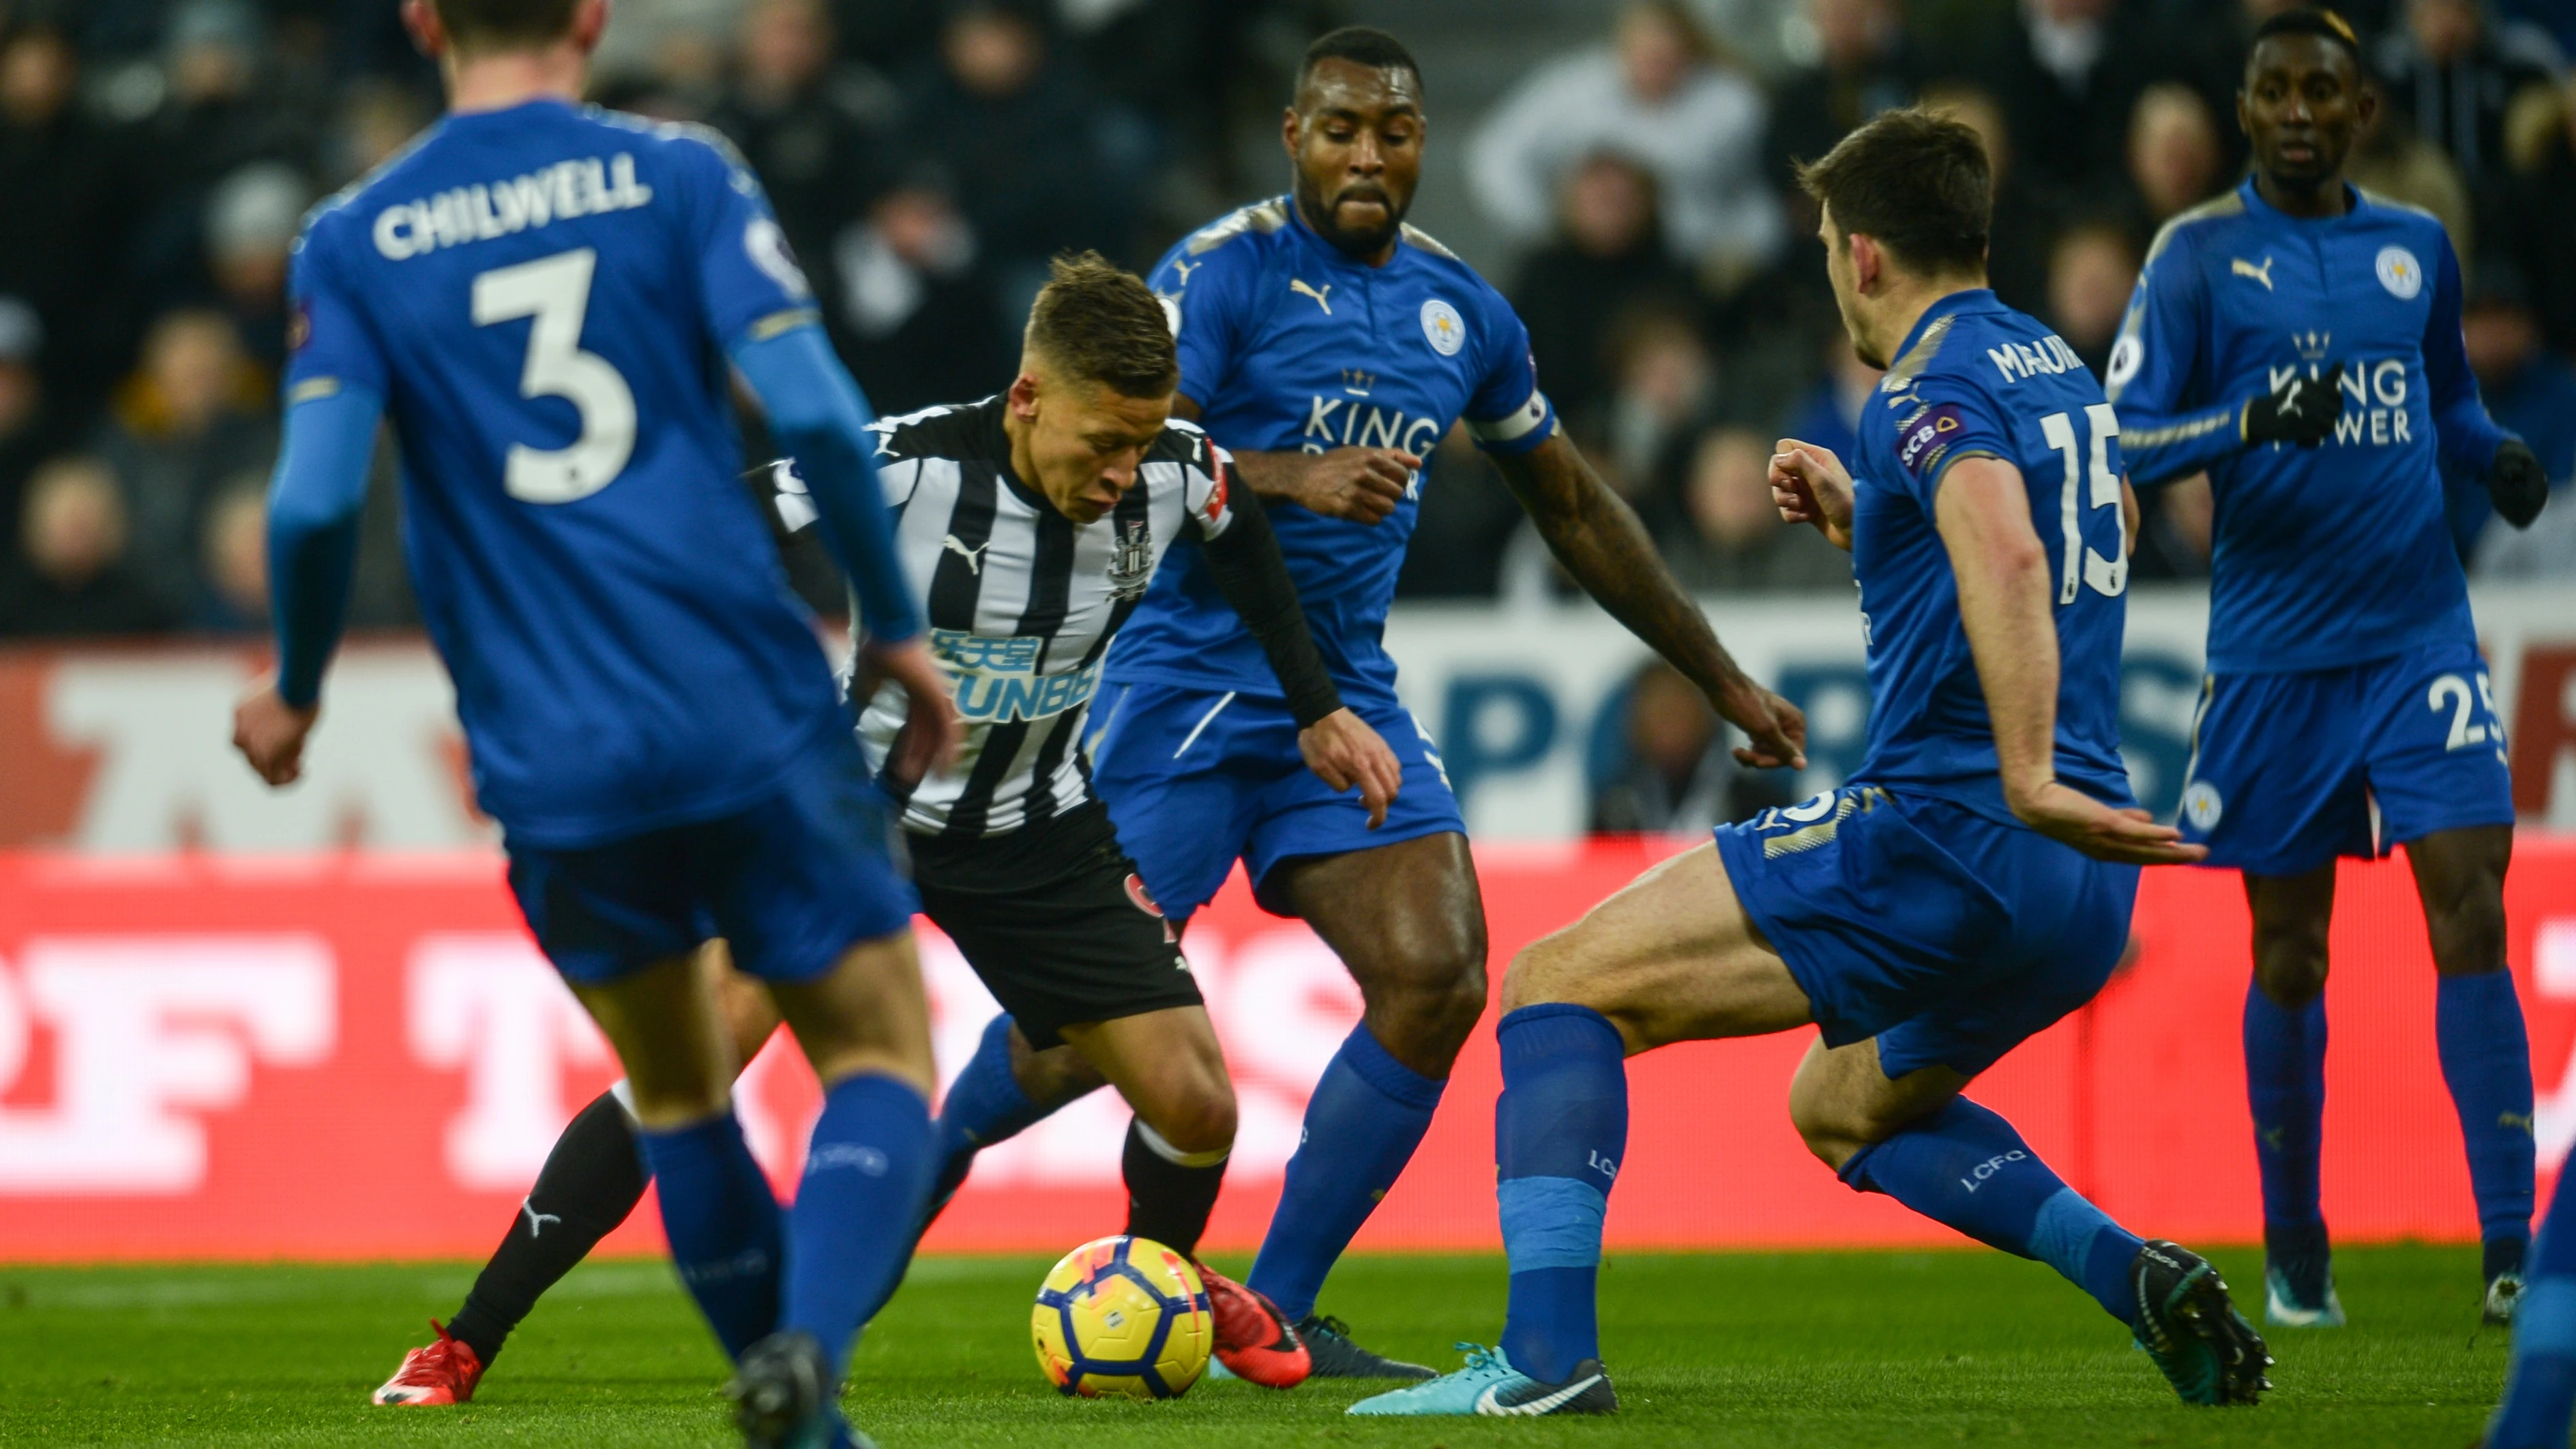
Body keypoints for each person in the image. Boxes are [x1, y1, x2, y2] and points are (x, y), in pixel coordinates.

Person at [1350, 105, 2270, 1419]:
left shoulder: (1925, 386)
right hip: (2077, 884)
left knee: (1554, 988)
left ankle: (1545, 1362)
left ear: (1869, 256)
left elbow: (2009, 550)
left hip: (1955, 833)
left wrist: (2017, 769)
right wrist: (1876, 521)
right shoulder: (2049, 368)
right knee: (1843, 1106)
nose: (1832, 270)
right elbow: (2094, 524)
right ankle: (2131, 1275)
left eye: (1832, 245)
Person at [366, 253, 1409, 1401]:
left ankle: (1162, 1280)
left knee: (1197, 1102)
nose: (1121, 472)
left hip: (1038, 830)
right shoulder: (900, 468)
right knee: (694, 1062)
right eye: (1098, 442)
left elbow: (1242, 539)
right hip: (851, 821)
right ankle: (466, 1339)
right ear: (1025, 399)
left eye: (1138, 441)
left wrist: (1317, 710)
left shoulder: (1182, 469)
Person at [932, 26, 1806, 1386]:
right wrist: (1289, 476)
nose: (1365, 154)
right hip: (1178, 690)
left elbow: (1567, 503)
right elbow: (1124, 448)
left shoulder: (1464, 315)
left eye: (1390, 132)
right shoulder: (1216, 277)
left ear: (1417, 145)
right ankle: (904, 1177)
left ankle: (1267, 1311)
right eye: (1337, 128)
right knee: (1072, 1039)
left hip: (1344, 699)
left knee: (1437, 974)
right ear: (1292, 136)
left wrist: (1718, 674)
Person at [229, 3, 960, 1446]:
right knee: (879, 1051)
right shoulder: (680, 174)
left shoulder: (354, 237)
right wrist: (890, 617)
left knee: (677, 1089)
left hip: (550, 756)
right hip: (735, 701)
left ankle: (800, 1417)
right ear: (590, 17)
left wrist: (300, 683)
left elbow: (311, 501)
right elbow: (813, 409)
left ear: (422, 20)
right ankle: (808, 1355)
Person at [2105, 6, 2549, 1332]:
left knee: (2467, 907)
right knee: (2289, 950)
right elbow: (2123, 439)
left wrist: (2495, 457)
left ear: (2360, 113)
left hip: (2419, 634)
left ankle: (2508, 1251)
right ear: (2242, 112)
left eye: (2322, 91)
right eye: (2274, 89)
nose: (2298, 108)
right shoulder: (2191, 259)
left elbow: (2448, 403)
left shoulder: (2415, 248)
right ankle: (2294, 1245)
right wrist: (2242, 420)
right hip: (2271, 657)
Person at [1469, 1, 1784, 284]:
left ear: (1690, 53)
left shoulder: (1732, 105)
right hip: (1579, 255)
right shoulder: (1573, 89)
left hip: (1687, 262)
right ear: (1622, 47)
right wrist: (1544, 226)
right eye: (1646, 54)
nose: (1655, 68)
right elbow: (1496, 152)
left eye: (1667, 58)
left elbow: (1757, 190)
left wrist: (1749, 250)